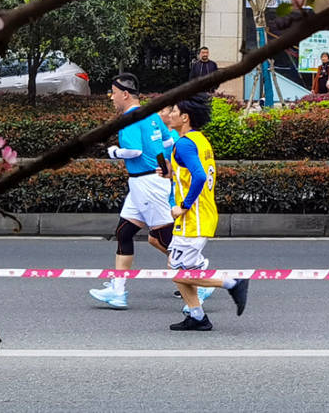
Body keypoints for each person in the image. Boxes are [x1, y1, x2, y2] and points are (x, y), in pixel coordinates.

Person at [162, 95, 250, 331]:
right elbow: (194, 173)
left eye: (174, 111)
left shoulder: (184, 143)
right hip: (201, 214)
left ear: (185, 117)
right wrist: (172, 175)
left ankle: (233, 283)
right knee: (178, 269)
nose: (170, 114)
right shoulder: (200, 140)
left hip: (193, 218)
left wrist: (183, 206)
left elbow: (199, 176)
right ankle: (198, 317)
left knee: (179, 274)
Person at [89, 74, 175, 310]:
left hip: (146, 184)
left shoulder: (128, 119)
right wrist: (157, 159)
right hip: (144, 182)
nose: (111, 97)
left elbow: (134, 151)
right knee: (124, 232)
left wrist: (114, 152)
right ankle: (118, 291)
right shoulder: (151, 114)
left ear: (124, 94)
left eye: (113, 92)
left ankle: (198, 280)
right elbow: (166, 143)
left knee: (162, 237)